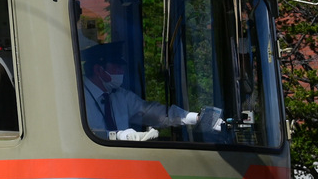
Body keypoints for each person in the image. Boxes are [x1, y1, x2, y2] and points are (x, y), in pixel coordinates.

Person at [81, 42, 220, 141]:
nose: (121, 72)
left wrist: (194, 117)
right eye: (117, 67)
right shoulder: (79, 97)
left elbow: (152, 112)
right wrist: (117, 136)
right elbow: (79, 136)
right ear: (98, 70)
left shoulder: (120, 96)